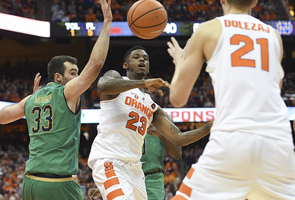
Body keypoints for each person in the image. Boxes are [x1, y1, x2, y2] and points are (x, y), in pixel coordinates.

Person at [167, 0, 295, 199]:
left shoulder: (208, 30)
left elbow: (177, 98)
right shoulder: (274, 36)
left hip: (232, 141)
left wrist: (179, 63)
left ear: (222, 0)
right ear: (255, 1)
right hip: (279, 143)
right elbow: (275, 90)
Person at [0, 0, 112, 199]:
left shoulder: (31, 100)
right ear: (58, 77)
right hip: (57, 184)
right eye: (73, 73)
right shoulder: (66, 93)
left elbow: (1, 117)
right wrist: (107, 22)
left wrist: (30, 100)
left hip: (31, 182)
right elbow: (96, 65)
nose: (77, 78)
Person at [87, 46, 213, 200]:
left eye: (146, 58)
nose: (142, 59)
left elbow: (179, 138)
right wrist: (143, 83)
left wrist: (208, 127)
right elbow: (103, 85)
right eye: (137, 57)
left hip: (135, 168)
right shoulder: (116, 78)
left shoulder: (152, 106)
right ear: (125, 65)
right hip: (110, 160)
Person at [141, 115, 182, 200]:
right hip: (127, 175)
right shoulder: (125, 114)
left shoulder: (163, 117)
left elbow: (177, 153)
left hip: (152, 179)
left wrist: (161, 134)